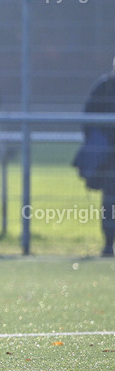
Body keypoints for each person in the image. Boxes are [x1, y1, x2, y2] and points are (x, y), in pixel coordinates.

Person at [74, 54, 115, 257]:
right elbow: (88, 119)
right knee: (110, 200)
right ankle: (109, 243)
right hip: (110, 158)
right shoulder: (104, 87)